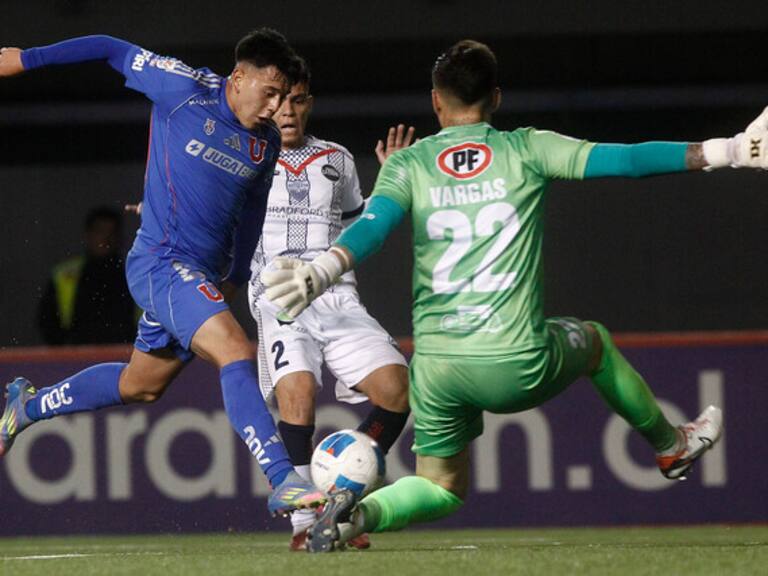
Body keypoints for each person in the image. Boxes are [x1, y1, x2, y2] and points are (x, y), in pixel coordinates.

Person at [261, 39, 768, 551]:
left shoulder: (409, 164)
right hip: (514, 363)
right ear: (496, 98)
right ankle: (671, 446)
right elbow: (627, 160)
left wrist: (320, 271)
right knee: (593, 341)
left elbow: (373, 227)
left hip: (437, 371)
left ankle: (354, 517)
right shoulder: (528, 147)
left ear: (436, 101)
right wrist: (729, 150)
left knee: (440, 485)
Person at [0, 30, 327, 517]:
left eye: (286, 97)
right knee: (235, 349)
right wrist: (28, 58)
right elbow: (111, 47)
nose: (278, 107)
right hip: (158, 263)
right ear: (239, 78)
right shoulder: (182, 88)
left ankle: (26, 406)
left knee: (141, 385)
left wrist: (235, 274)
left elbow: (252, 211)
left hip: (199, 276)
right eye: (271, 92)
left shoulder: (264, 143)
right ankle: (283, 479)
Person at [248, 63, 412, 550]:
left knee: (398, 390)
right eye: (281, 102)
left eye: (299, 101)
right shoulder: (246, 154)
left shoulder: (336, 160)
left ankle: (340, 494)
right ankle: (306, 524)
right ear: (268, 103)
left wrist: (389, 183)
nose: (289, 112)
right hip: (278, 297)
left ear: (309, 103)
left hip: (337, 295)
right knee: (297, 392)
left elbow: (362, 224)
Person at [38, 206, 135, 345]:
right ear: (87, 235)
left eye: (111, 233)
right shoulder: (65, 274)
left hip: (125, 356)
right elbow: (47, 321)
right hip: (76, 357)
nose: (106, 238)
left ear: (119, 237)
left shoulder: (134, 274)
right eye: (100, 231)